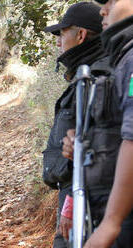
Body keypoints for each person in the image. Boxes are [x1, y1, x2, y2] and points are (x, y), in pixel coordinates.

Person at [60, 1, 133, 247]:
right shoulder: (124, 58)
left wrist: (112, 222)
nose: (103, 10)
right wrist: (84, 141)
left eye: (110, 1)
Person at [42, 2, 105, 247]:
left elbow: (90, 154)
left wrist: (69, 204)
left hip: (86, 206)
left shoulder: (97, 78)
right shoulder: (85, 75)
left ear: (80, 35)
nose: (58, 40)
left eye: (62, 32)